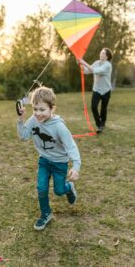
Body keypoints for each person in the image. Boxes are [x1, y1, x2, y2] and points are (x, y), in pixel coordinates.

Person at [17, 86, 81, 230]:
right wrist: (21, 119)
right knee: (41, 188)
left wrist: (76, 167)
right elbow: (23, 136)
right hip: (44, 161)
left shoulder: (59, 127)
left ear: (52, 109)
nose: (38, 114)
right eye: (35, 109)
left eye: (42, 109)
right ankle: (46, 213)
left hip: (60, 164)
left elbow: (71, 146)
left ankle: (69, 187)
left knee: (59, 191)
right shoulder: (34, 120)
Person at [79, 47, 113, 134]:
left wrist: (83, 62)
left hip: (106, 90)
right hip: (96, 90)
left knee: (103, 108)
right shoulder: (97, 63)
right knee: (94, 107)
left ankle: (102, 124)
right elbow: (86, 71)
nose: (101, 54)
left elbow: (95, 71)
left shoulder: (108, 65)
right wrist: (80, 63)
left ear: (107, 57)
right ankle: (99, 125)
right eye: (101, 52)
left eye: (103, 53)